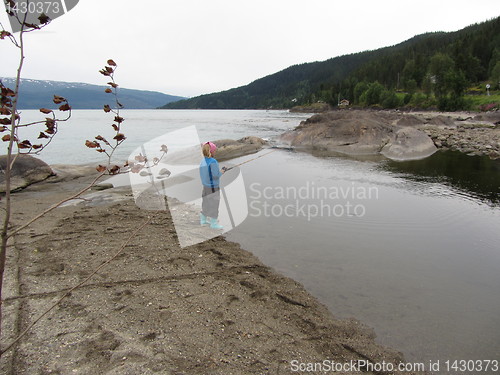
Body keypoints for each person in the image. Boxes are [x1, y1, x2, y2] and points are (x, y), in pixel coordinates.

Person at [199, 141, 225, 229]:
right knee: (214, 204)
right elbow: (215, 176)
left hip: (205, 187)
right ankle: (214, 224)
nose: (215, 152)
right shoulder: (213, 161)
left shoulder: (202, 161)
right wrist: (221, 172)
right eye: (215, 150)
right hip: (213, 188)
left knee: (205, 203)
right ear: (211, 151)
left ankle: (203, 220)